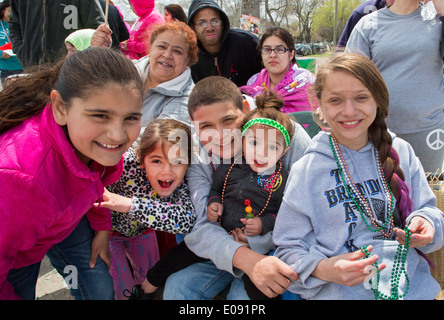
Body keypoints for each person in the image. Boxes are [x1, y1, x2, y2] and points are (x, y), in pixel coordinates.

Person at [273, 52, 444, 300]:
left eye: (361, 97)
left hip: (412, 290)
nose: (349, 111)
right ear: (319, 105)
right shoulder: (307, 170)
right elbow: (288, 249)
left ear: (378, 100)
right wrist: (325, 270)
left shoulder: (401, 152)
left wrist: (426, 225)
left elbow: (430, 213)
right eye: (335, 100)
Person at [0, 47, 144, 300]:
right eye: (101, 115)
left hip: (65, 220)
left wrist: (101, 228)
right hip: (17, 255)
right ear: (60, 108)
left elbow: (92, 181)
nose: (118, 135)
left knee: (99, 291)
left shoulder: (92, 145)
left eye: (130, 118)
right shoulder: (20, 180)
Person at [124, 91, 294, 300]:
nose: (261, 153)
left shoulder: (283, 177)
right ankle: (142, 292)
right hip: (220, 241)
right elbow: (215, 190)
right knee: (175, 282)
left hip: (260, 249)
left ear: (284, 151)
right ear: (243, 140)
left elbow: (284, 215)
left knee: (252, 295)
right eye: (254, 143)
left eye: (272, 147)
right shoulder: (229, 166)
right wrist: (214, 204)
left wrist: (262, 227)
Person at [159, 76, 310, 300]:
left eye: (228, 120)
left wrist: (259, 242)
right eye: (206, 126)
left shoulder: (282, 133)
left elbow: (304, 207)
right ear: (194, 126)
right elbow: (201, 223)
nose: (221, 135)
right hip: (225, 249)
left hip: (275, 246)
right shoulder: (198, 155)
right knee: (177, 287)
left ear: (246, 110)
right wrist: (245, 258)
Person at [96, 119, 196, 300]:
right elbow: (93, 190)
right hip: (108, 233)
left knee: (146, 281)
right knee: (120, 286)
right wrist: (101, 232)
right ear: (142, 160)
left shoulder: (182, 183)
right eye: (156, 161)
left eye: (177, 161)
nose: (167, 171)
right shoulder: (122, 165)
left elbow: (186, 220)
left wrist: (130, 205)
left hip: (141, 231)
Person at [345, 0, 444, 174]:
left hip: (429, 132)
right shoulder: (369, 23)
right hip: (380, 131)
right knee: (382, 196)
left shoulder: (437, 22)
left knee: (430, 195)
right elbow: (349, 77)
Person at [93, 21, 198, 127]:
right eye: (162, 47)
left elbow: (159, 140)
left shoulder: (189, 100)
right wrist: (97, 55)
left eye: (177, 51)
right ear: (150, 49)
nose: (167, 55)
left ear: (188, 61)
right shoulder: (125, 71)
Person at [239, 27, 315, 114]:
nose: (272, 55)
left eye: (279, 49)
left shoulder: (306, 82)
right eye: (267, 50)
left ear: (291, 54)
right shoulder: (253, 83)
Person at [9, 0, 105, 69]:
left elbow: (96, 29)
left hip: (70, 71)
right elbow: (14, 24)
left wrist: (80, 58)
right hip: (32, 70)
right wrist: (20, 51)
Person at [187, 0, 262, 86]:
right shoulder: (191, 56)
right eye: (202, 23)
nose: (209, 28)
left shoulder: (247, 43)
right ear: (193, 27)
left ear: (222, 23)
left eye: (215, 21)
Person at [0, 0, 22, 87]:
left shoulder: (21, 25)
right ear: (3, 11)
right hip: (6, 68)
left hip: (22, 66)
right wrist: (1, 54)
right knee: (9, 96)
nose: (12, 14)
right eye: (10, 11)